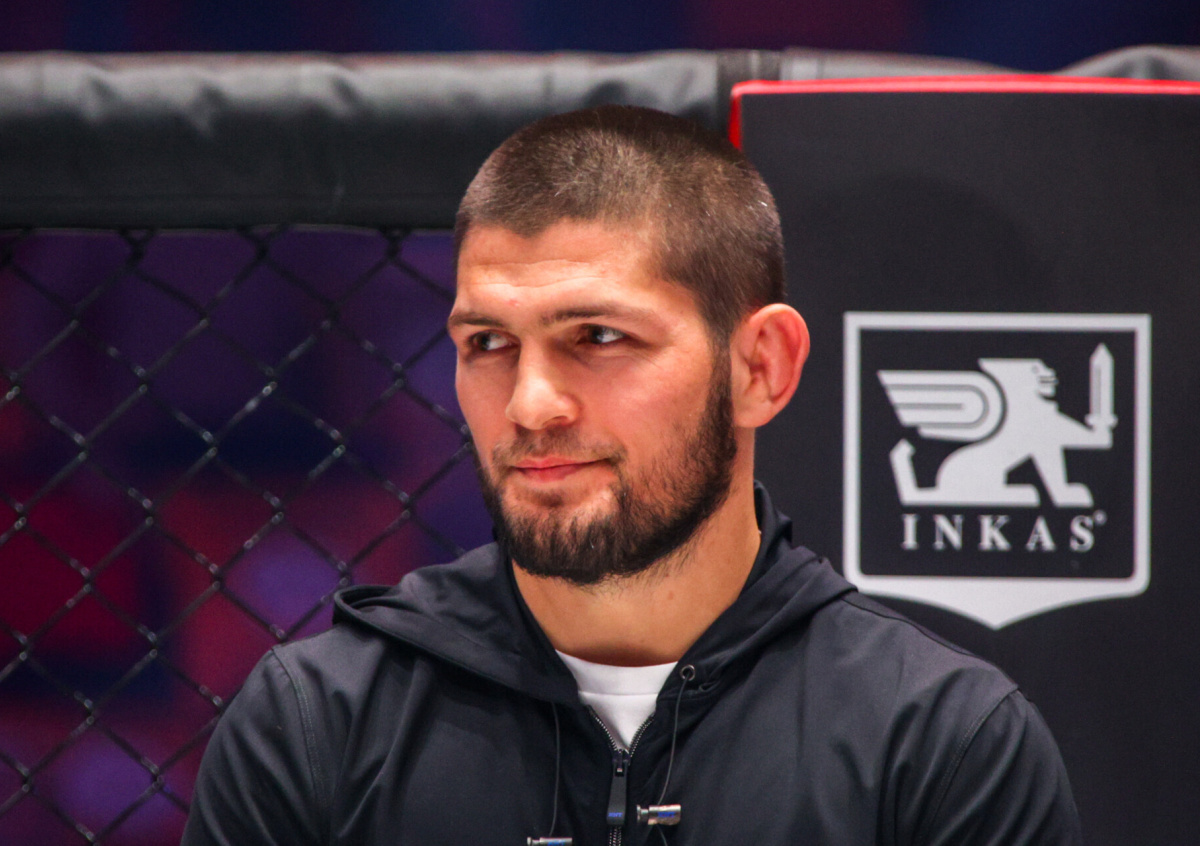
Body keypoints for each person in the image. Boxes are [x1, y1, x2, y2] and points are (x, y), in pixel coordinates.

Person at [182, 105, 1082, 845]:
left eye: (599, 336)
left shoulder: (942, 745)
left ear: (760, 367)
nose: (530, 405)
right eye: (488, 343)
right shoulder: (315, 727)